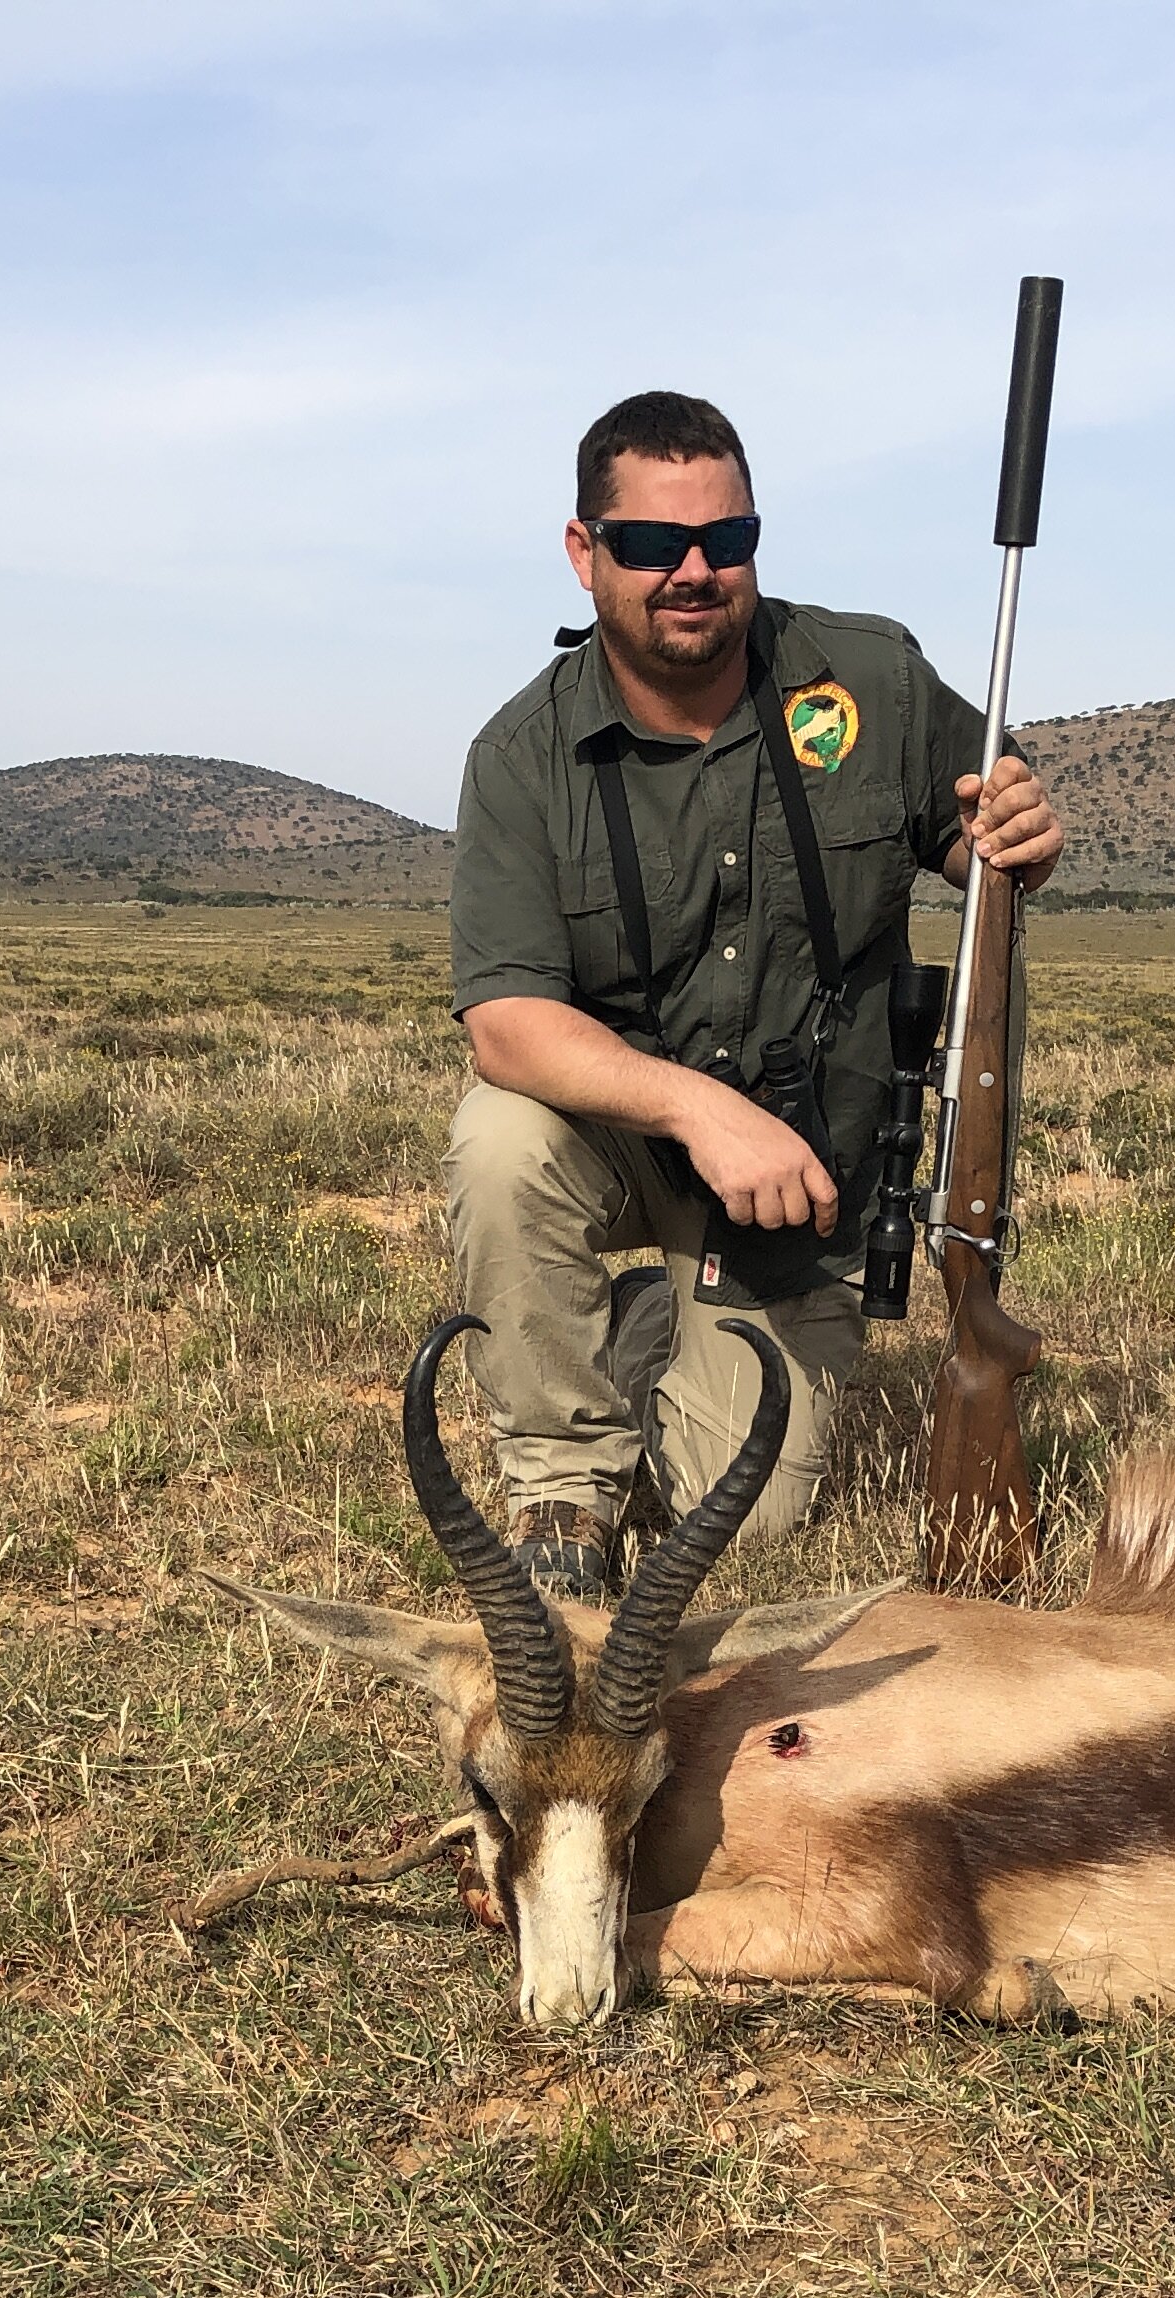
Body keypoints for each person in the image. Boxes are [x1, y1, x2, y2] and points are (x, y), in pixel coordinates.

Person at [443, 389, 1064, 1600]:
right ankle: (565, 1484)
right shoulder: (521, 756)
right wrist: (698, 1109)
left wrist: (1022, 831)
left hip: (800, 1187)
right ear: (585, 554)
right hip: (631, 1144)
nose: (693, 571)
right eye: (649, 544)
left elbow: (979, 837)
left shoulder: (868, 680)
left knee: (738, 1525)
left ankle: (643, 1331)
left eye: (726, 542)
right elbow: (507, 1027)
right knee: (500, 1139)